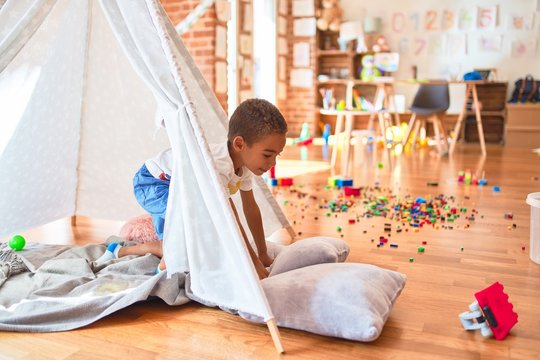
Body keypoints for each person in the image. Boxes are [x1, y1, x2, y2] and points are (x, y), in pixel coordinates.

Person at [96, 98, 288, 279]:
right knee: (183, 231)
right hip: (154, 181)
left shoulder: (244, 166)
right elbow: (231, 217)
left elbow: (251, 209)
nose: (272, 163)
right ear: (240, 144)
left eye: (276, 156)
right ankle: (164, 271)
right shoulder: (218, 165)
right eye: (267, 155)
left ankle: (118, 250)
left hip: (179, 187)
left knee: (182, 240)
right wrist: (252, 262)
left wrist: (262, 254)